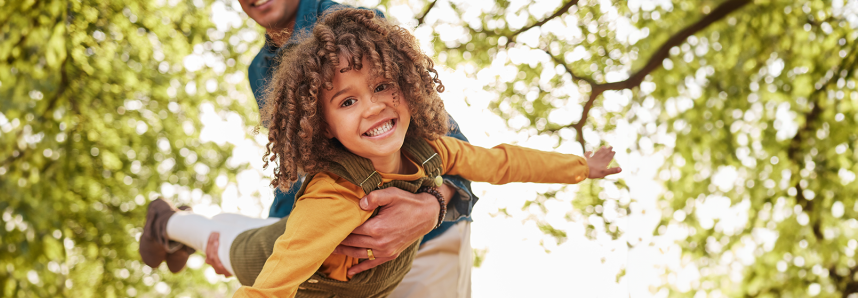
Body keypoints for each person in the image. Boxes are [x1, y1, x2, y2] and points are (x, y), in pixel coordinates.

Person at [139, 8, 622, 297]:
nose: (372, 108)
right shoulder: (335, 196)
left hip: (397, 259)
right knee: (233, 246)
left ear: (409, 86)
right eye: (347, 101)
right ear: (322, 125)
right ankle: (171, 222)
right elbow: (271, 286)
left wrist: (581, 166)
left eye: (383, 87)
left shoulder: (429, 145)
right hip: (293, 265)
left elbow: (501, 162)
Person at [233, 0, 480, 296]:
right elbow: (297, 167)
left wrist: (431, 206)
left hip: (428, 243)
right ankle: (170, 224)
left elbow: (441, 135)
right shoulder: (259, 69)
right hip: (351, 267)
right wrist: (274, 235)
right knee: (236, 248)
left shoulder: (345, 27)